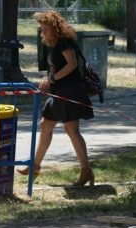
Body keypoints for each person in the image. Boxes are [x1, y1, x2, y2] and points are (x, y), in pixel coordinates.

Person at [17, 10, 94, 186]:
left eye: (45, 29)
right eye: (41, 29)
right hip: (59, 91)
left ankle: (86, 170)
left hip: (70, 91)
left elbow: (72, 64)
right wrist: (49, 80)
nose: (42, 33)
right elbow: (57, 69)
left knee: (72, 130)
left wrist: (53, 79)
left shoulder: (64, 42)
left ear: (54, 28)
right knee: (46, 125)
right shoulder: (56, 44)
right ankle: (34, 166)